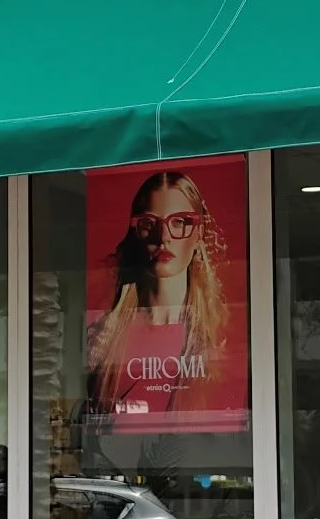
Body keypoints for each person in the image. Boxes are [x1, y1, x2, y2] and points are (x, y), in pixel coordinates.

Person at [86, 171, 232, 429]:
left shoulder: (221, 342)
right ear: (136, 232)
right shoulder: (102, 339)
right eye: (149, 223)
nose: (163, 236)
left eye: (180, 222)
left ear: (199, 234)